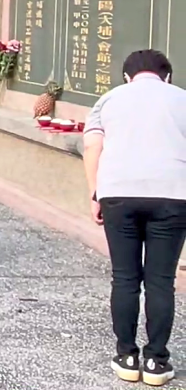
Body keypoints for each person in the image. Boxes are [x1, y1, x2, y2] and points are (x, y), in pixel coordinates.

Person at [84, 49, 186, 386]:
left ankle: (127, 356)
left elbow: (92, 148)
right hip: (172, 195)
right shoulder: (181, 99)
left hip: (118, 193)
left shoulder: (109, 100)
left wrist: (94, 193)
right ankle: (157, 361)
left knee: (125, 278)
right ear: (166, 76)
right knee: (160, 281)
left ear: (127, 77)